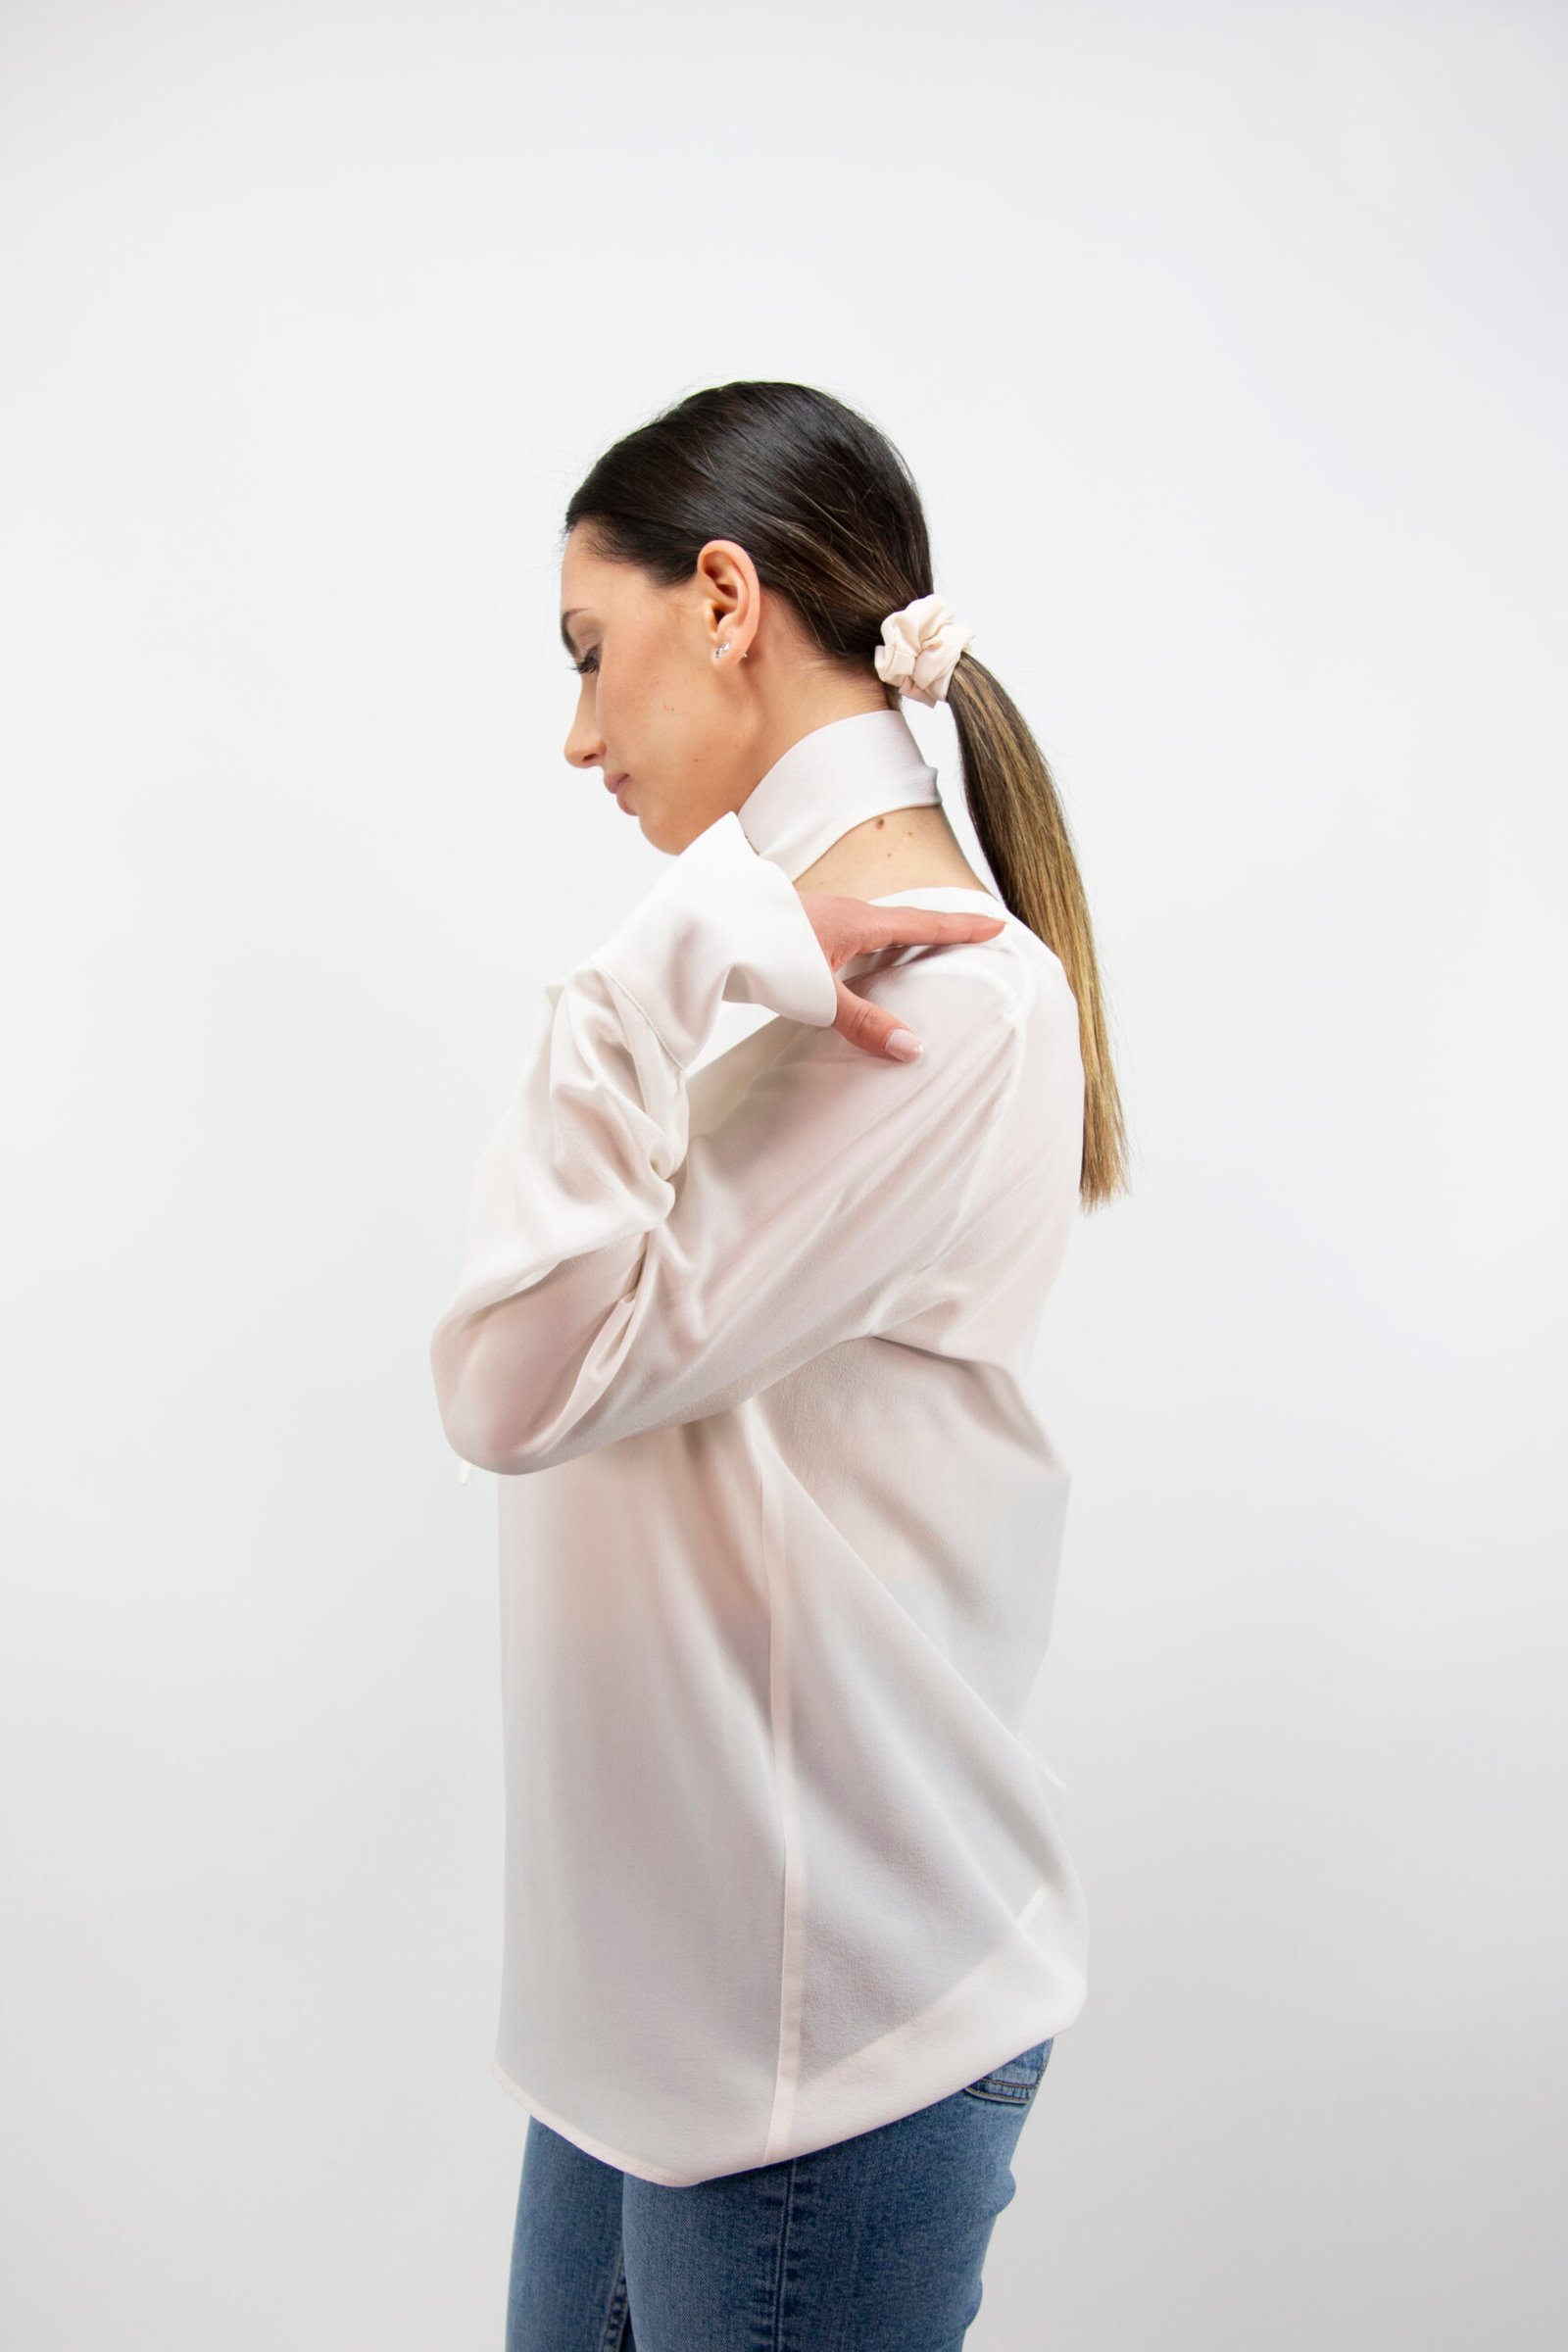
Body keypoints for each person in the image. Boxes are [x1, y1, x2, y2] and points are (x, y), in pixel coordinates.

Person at [428, 380, 1129, 2351]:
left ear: (724, 600)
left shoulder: (941, 1008)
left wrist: (640, 977)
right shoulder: (770, 965)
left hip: (823, 2037)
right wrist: (692, 957)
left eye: (592, 650)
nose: (577, 734)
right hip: (655, 2018)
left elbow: (509, 1390)